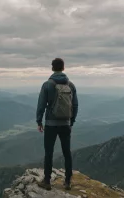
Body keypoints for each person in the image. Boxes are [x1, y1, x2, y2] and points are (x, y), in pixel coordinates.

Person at [36, 58, 78, 191]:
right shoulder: (70, 85)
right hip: (66, 124)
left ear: (52, 68)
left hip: (50, 124)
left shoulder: (47, 85)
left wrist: (39, 121)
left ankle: (47, 181)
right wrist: (71, 121)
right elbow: (75, 105)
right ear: (63, 68)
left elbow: (41, 104)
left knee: (49, 152)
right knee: (67, 153)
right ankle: (67, 182)